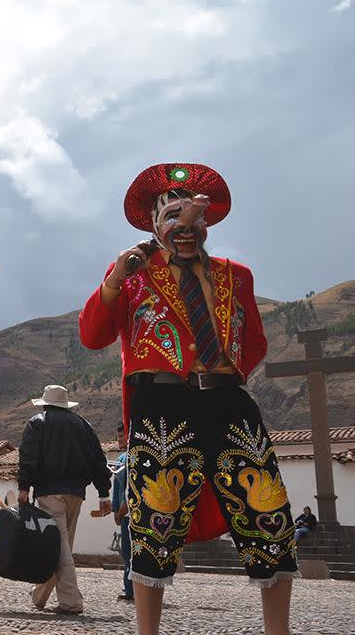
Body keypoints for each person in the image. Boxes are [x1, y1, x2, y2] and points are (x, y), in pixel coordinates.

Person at [79, 163, 297, 635]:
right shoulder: (132, 274)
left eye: (195, 219)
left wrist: (222, 371)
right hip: (161, 407)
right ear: (154, 225)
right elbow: (93, 335)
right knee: (156, 521)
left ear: (208, 225)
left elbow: (253, 341)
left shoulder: (235, 275)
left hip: (229, 404)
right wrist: (115, 278)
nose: (186, 228)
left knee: (268, 516)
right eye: (173, 216)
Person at [17, 384, 112, 615]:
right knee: (62, 546)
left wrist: (23, 487)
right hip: (76, 494)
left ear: (46, 403)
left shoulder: (38, 422)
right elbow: (98, 461)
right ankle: (39, 596)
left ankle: (71, 602)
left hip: (49, 493)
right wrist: (103, 493)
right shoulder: (84, 426)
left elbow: (29, 456)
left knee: (59, 548)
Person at [111, 422, 133, 601]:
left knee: (131, 553)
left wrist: (120, 510)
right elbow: (117, 489)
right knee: (127, 553)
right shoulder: (120, 460)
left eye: (121, 435)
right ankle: (130, 588)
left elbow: (130, 489)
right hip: (124, 516)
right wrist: (115, 510)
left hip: (129, 514)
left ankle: (132, 589)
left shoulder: (132, 459)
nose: (118, 439)